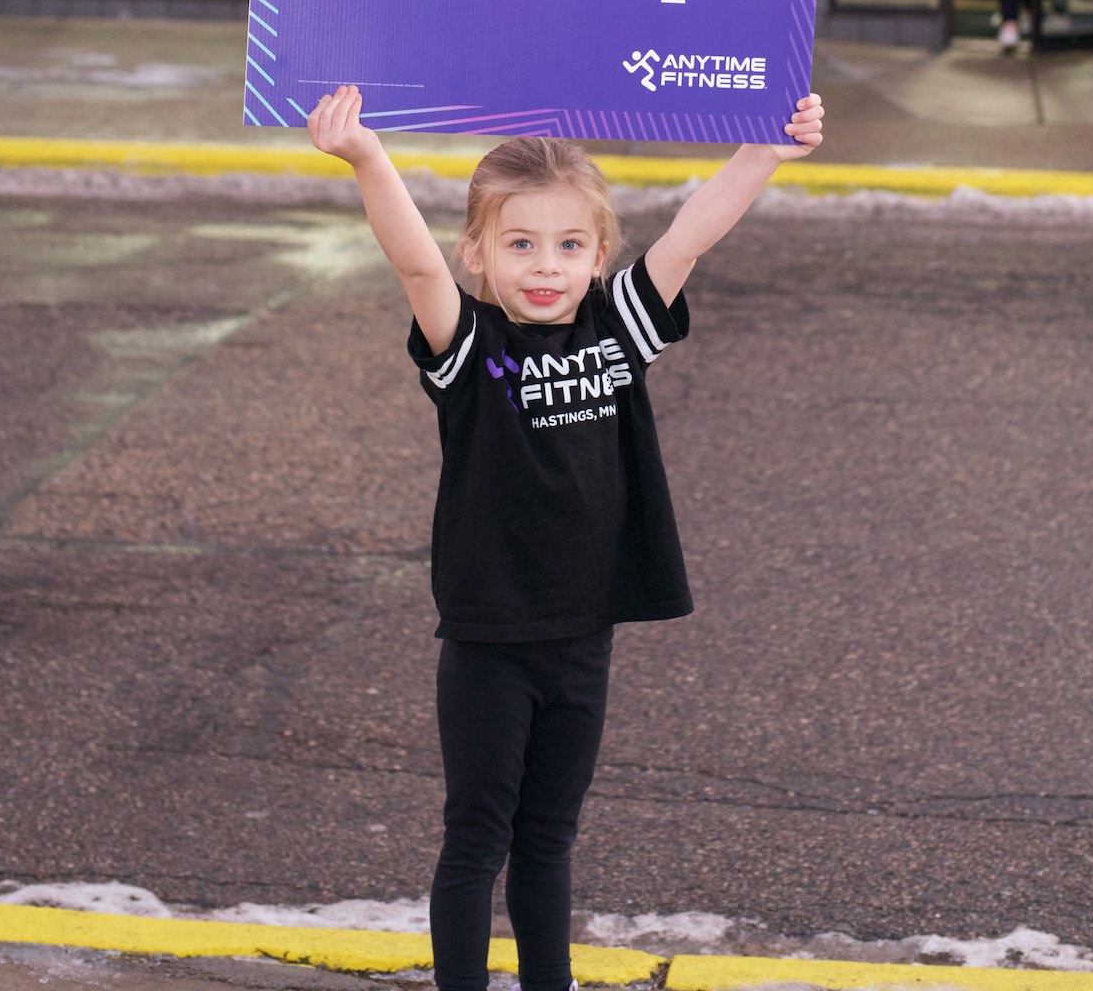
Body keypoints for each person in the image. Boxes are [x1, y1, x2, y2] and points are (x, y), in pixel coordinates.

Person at [307, 86, 825, 991]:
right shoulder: (469, 348)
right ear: (479, 252)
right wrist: (368, 159)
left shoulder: (614, 331)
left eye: (569, 245)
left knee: (548, 840)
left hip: (584, 638)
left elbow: (689, 236)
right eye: (519, 243)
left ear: (596, 258)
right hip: (489, 646)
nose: (545, 266)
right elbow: (418, 270)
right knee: (477, 840)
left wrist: (763, 154)